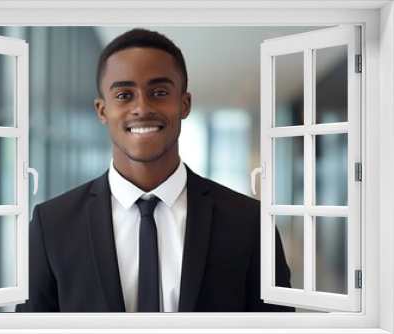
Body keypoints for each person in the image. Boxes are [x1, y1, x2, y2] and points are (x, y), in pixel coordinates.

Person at [16, 28, 294, 312]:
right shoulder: (51, 226)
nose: (142, 108)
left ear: (183, 104)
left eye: (159, 92)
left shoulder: (249, 223)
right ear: (102, 111)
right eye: (124, 95)